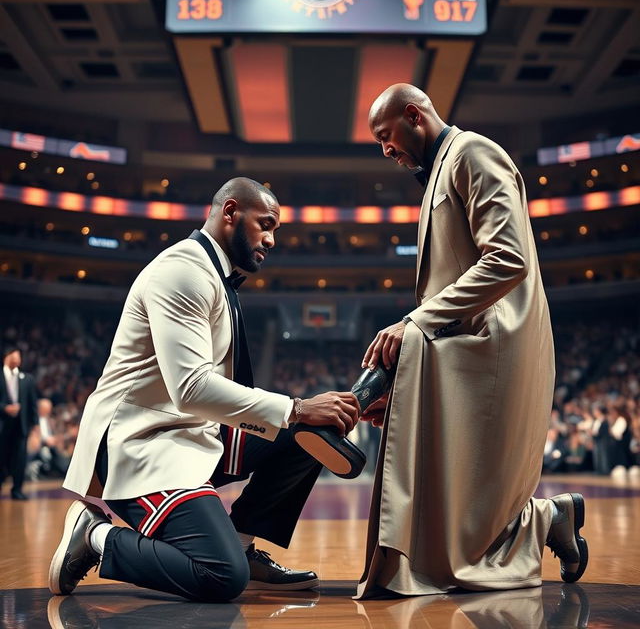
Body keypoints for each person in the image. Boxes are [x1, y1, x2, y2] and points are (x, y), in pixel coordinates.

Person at [49, 177, 360, 602]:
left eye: (275, 231)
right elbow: (191, 388)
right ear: (230, 212)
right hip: (141, 442)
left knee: (312, 437)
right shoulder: (182, 271)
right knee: (220, 576)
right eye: (264, 224)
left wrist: (317, 412)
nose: (270, 240)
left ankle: (242, 545)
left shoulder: (213, 273)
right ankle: (96, 536)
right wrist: (298, 406)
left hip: (188, 432)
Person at [356, 84, 588, 598]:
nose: (385, 149)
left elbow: (508, 257)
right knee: (460, 495)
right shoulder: (439, 169)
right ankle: (552, 518)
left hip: (497, 340)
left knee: (470, 498)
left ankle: (547, 519)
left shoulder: (474, 153)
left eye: (386, 136)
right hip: (463, 341)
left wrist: (415, 322)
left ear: (415, 116)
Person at [0, 344, 39, 500]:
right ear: (6, 356)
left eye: (19, 356)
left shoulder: (27, 378)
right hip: (2, 423)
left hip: (21, 425)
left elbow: (32, 404)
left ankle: (17, 489)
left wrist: (35, 426)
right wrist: (5, 408)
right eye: (14, 356)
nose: (17, 359)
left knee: (20, 458)